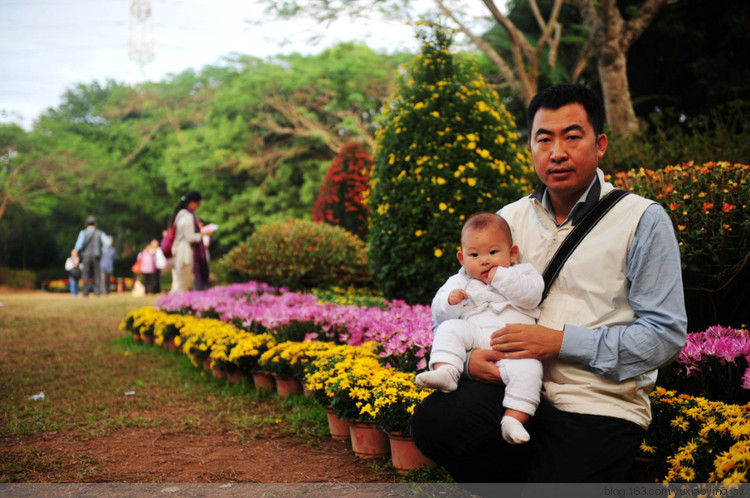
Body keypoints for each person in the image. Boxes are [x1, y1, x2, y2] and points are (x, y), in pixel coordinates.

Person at [410, 83, 687, 483]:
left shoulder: (642, 219)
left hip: (597, 402)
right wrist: (468, 362)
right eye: (544, 139)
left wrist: (558, 343)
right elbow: (457, 301)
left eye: (572, 137)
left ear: (600, 143)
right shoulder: (507, 220)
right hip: (511, 388)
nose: (557, 152)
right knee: (436, 422)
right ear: (532, 148)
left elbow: (664, 335)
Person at [415, 212, 544, 445]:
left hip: (513, 343)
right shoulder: (460, 280)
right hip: (475, 336)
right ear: (462, 259)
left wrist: (500, 277)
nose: (484, 260)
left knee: (531, 369)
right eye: (474, 255)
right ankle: (448, 371)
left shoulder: (522, 272)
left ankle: (513, 419)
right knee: (450, 329)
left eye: (493, 253)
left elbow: (532, 296)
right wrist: (450, 302)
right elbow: (438, 314)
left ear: (512, 253)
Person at [167, 191, 214, 293]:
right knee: (182, 285)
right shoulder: (187, 216)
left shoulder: (180, 214)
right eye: (198, 204)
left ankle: (170, 306)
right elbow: (190, 237)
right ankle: (173, 307)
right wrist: (204, 233)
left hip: (178, 252)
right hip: (184, 254)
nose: (197, 207)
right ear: (192, 203)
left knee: (178, 283)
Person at [73, 216, 110, 297]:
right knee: (97, 274)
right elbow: (107, 244)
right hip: (96, 256)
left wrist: (75, 250)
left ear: (86, 224)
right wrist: (102, 251)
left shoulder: (83, 232)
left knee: (85, 274)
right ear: (95, 224)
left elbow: (79, 244)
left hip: (85, 256)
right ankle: (97, 292)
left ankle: (85, 292)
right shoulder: (100, 233)